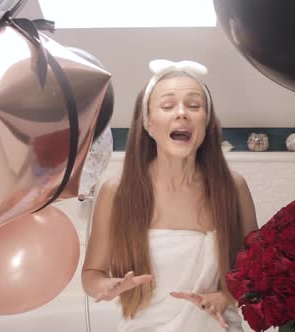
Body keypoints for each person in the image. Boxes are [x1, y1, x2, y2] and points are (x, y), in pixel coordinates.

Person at [81, 59, 258, 332]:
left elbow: (257, 274)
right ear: (149, 124)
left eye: (194, 105)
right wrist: (108, 285)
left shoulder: (233, 188)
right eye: (167, 105)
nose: (182, 113)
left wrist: (228, 296)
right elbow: (91, 275)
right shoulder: (117, 193)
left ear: (207, 121)